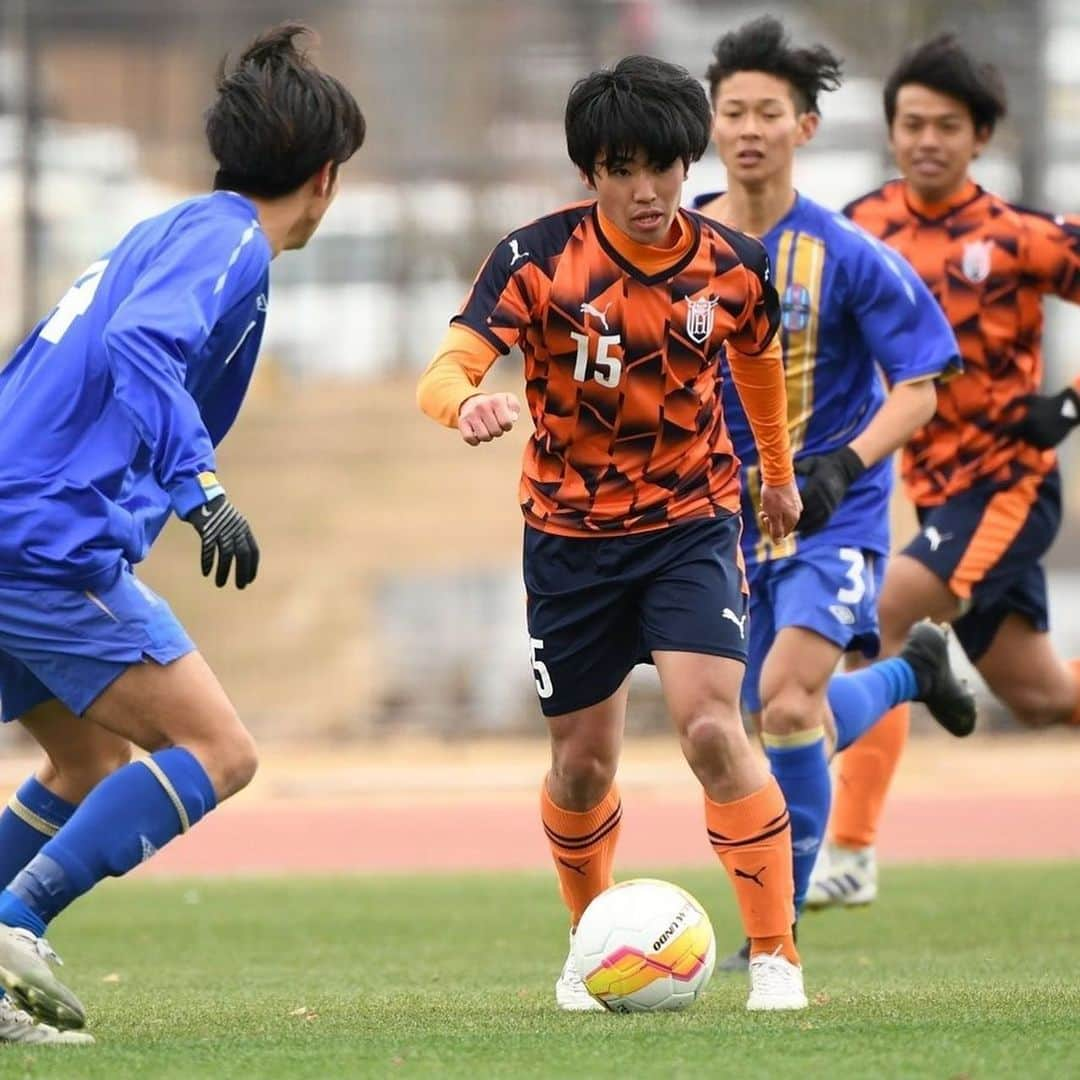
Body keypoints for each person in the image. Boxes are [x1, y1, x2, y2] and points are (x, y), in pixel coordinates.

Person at [419, 55, 811, 1011]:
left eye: (664, 168)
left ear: (689, 162)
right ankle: (592, 949)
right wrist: (465, 405)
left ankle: (776, 958)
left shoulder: (733, 263)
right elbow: (445, 369)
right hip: (569, 536)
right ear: (591, 171)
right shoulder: (535, 259)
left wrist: (779, 478)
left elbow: (756, 364)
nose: (646, 190)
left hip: (691, 521)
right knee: (582, 766)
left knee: (714, 726)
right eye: (622, 168)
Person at [0, 23, 364, 1040]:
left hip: (13, 518)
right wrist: (201, 489)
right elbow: (137, 345)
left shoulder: (174, 225)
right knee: (218, 748)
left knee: (87, 766)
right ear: (326, 178)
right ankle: (13, 921)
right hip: (41, 535)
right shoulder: (229, 240)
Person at [693, 17, 973, 969]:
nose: (749, 129)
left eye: (769, 111)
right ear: (712, 122)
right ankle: (911, 675)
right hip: (720, 527)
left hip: (833, 519)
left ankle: (781, 927)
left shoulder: (846, 253)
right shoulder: (680, 239)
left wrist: (841, 468)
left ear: (804, 127)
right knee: (753, 722)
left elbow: (923, 383)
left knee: (785, 703)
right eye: (732, 111)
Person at [810, 33, 1080, 908]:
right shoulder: (856, 229)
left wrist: (1070, 404)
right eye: (912, 123)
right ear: (891, 131)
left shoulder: (1018, 237)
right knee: (1039, 698)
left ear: (981, 137)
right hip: (928, 494)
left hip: (1007, 485)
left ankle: (847, 855)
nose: (927, 140)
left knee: (878, 620)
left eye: (948, 126)